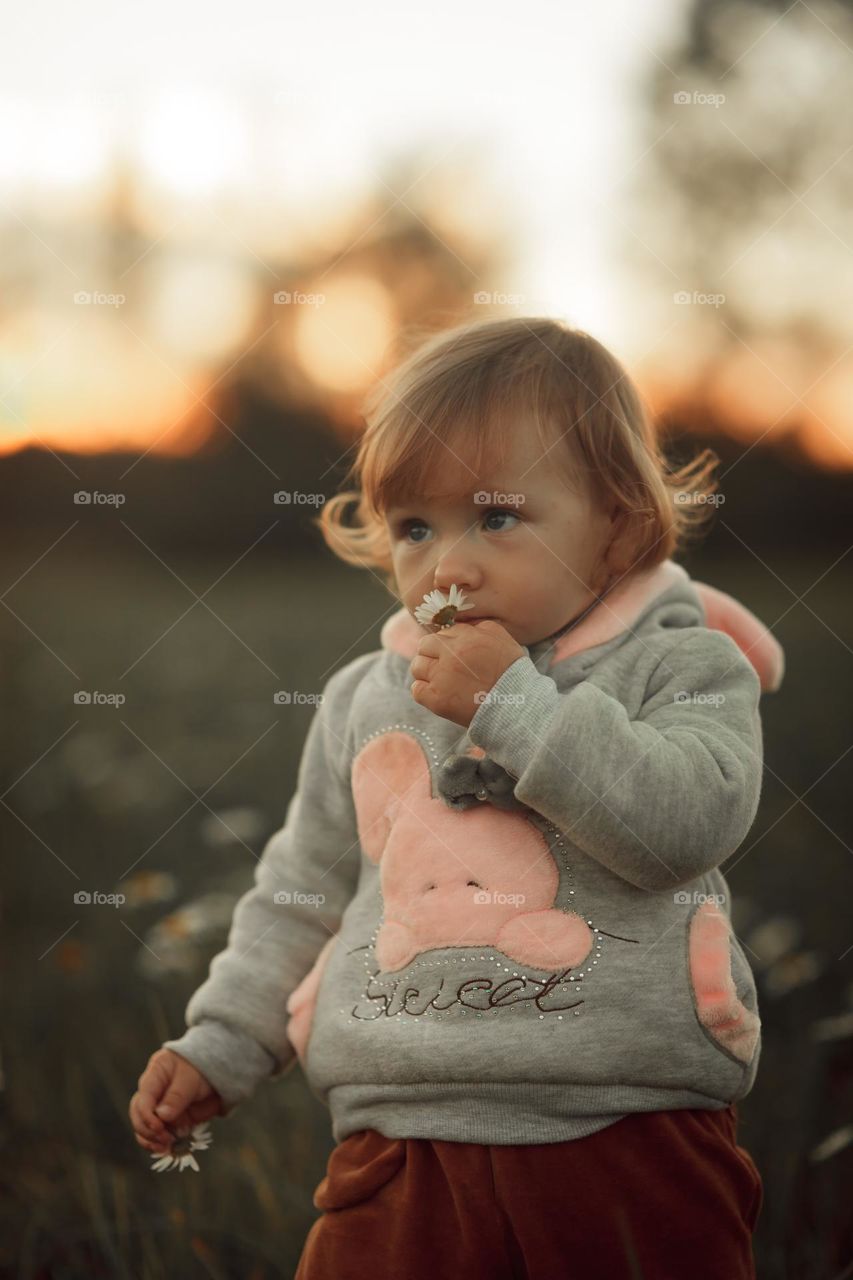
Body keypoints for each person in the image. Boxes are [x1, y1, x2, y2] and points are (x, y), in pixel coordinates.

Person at [129, 316, 785, 1278]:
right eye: (415, 528)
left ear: (617, 522)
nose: (447, 565)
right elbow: (300, 886)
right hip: (397, 1135)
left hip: (623, 1128)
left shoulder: (679, 666)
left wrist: (511, 706)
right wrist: (224, 1041)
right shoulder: (367, 701)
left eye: (496, 517)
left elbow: (682, 826)